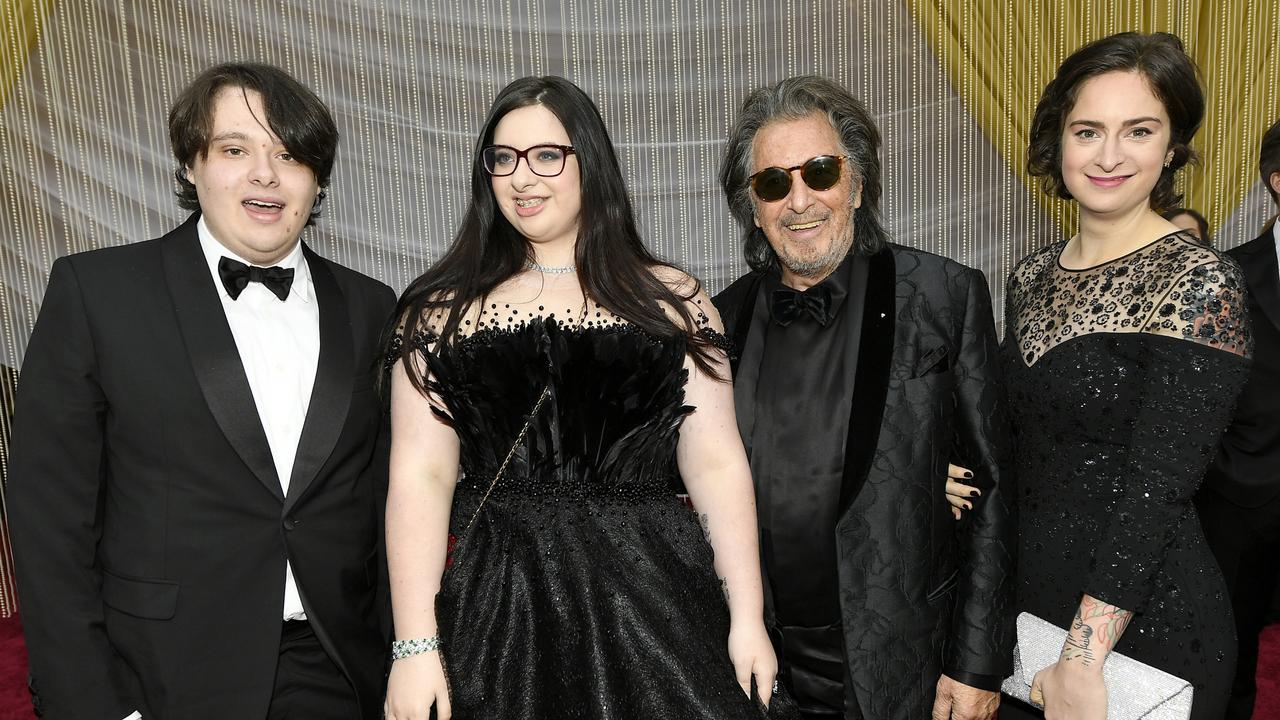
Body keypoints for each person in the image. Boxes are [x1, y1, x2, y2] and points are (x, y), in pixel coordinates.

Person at [381, 75, 797, 720]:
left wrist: (747, 617)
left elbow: (716, 464)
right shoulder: (438, 310)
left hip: (654, 603)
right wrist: (413, 645)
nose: (524, 178)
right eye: (503, 158)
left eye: (548, 154)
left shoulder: (674, 302)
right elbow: (420, 476)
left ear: (590, 161)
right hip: (498, 608)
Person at [7, 63, 396, 719]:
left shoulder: (371, 306)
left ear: (318, 178)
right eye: (235, 149)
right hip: (160, 674)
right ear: (192, 164)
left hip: (332, 668)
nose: (265, 175)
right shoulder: (97, 293)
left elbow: (388, 501)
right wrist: (93, 703)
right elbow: (50, 524)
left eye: (290, 154)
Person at [713, 74, 1016, 720]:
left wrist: (976, 664)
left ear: (855, 182)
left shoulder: (942, 295)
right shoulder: (723, 319)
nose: (799, 200)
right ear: (753, 205)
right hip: (762, 673)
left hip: (900, 662)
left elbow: (994, 487)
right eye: (773, 183)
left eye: (820, 171)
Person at [1000, 32, 1250, 720]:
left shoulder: (1198, 282)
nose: (1109, 156)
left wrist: (1084, 655)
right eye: (1088, 130)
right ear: (1058, 141)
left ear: (1171, 148)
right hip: (1034, 610)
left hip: (1145, 632)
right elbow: (1028, 445)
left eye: (1138, 130)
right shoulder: (1028, 277)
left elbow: (1157, 492)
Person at [1195, 117, 1280, 720]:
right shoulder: (1225, 275)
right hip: (1248, 504)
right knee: (1234, 664)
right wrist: (1233, 476)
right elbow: (1194, 400)